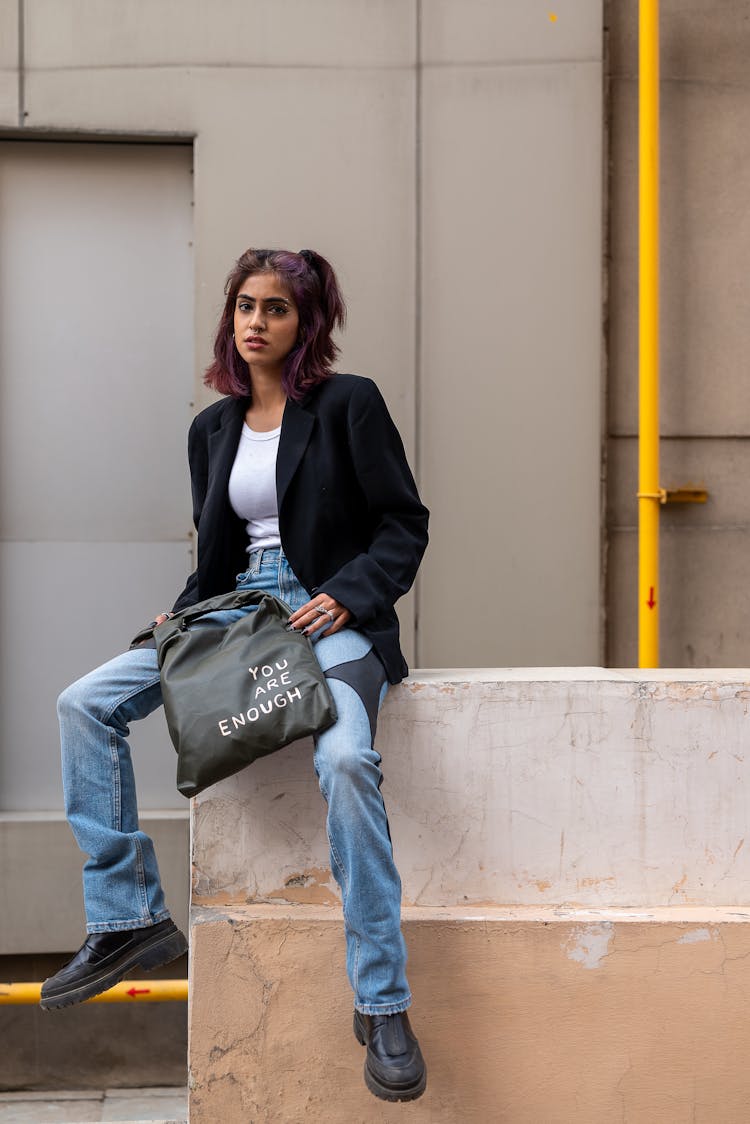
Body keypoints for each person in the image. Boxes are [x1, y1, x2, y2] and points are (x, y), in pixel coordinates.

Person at [41, 248, 429, 1103]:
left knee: (345, 763)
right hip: (235, 612)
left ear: (307, 323)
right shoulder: (212, 429)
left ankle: (383, 999)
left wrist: (349, 593)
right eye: (245, 306)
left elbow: (404, 523)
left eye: (277, 309)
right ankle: (127, 918)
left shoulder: (348, 405)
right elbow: (216, 556)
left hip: (325, 615)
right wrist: (174, 621)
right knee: (85, 703)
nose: (255, 321)